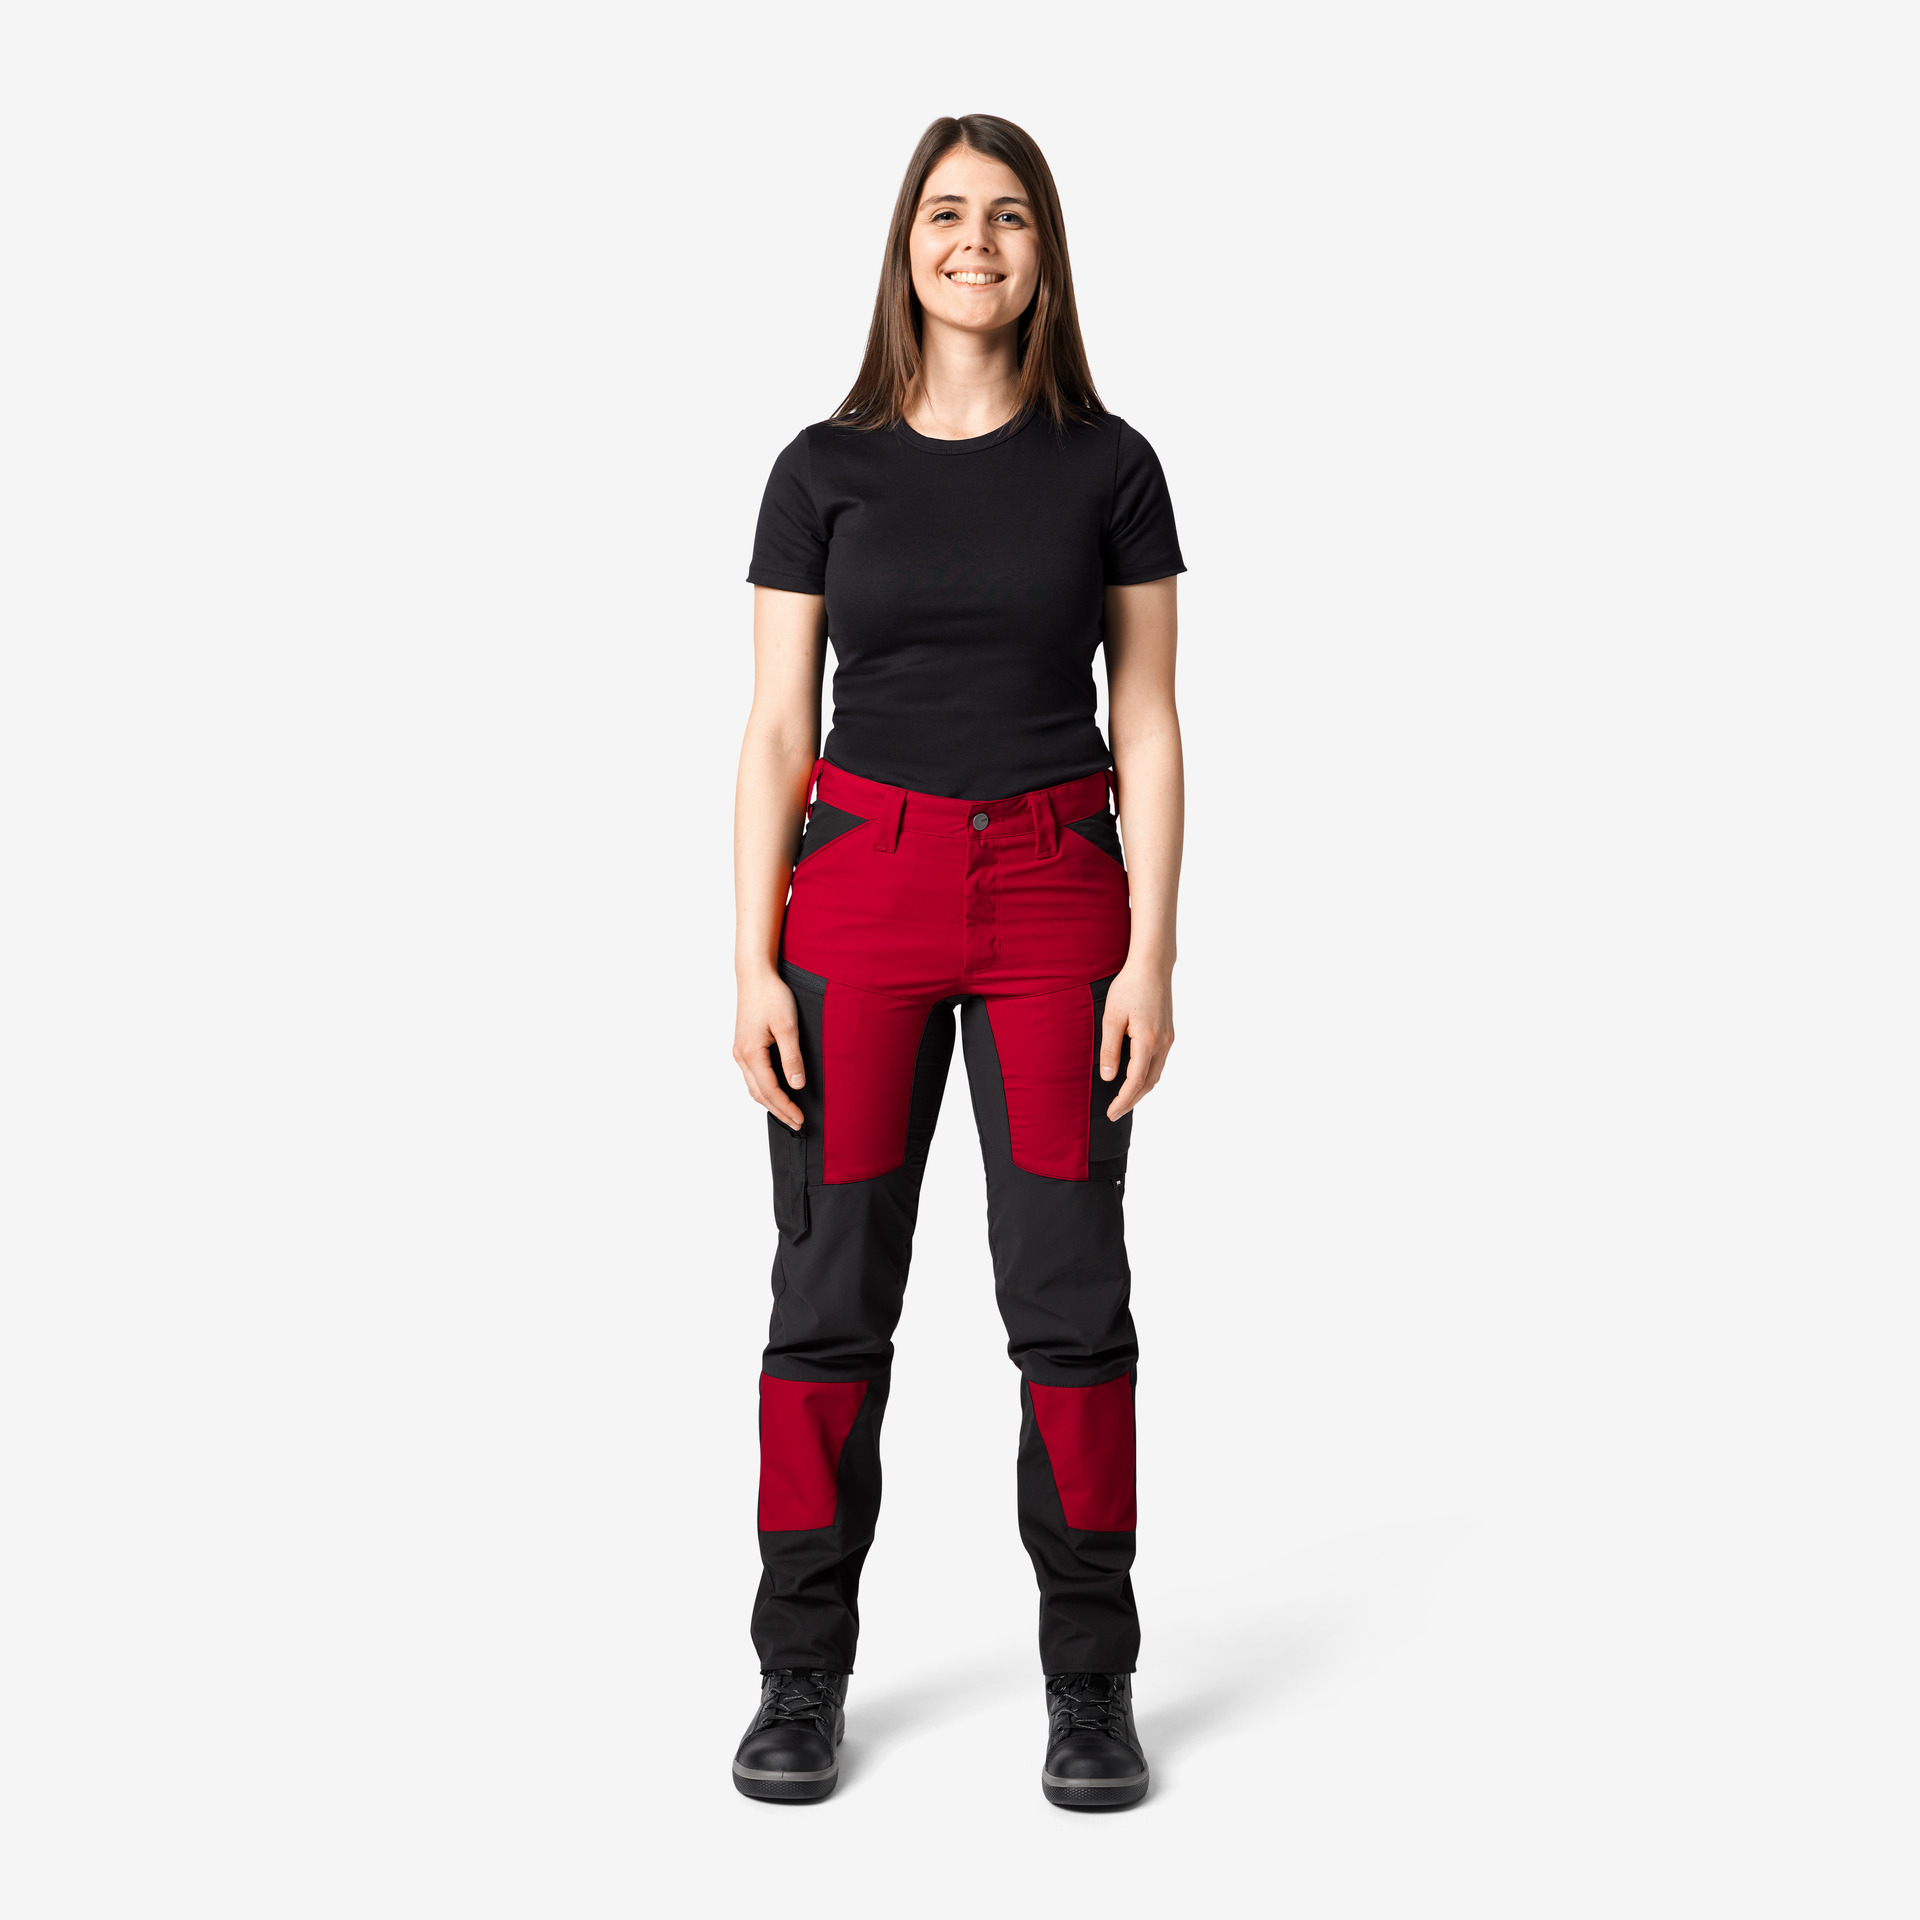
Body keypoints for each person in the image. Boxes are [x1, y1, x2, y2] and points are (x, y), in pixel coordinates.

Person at [728, 113, 1185, 1809]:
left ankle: (1091, 1682)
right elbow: (778, 730)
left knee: (1070, 1301)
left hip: (1059, 897)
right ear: (905, 245)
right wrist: (751, 962)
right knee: (827, 1298)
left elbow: (1150, 716)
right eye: (945, 212)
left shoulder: (1110, 465)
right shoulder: (820, 469)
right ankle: (798, 1672)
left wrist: (1153, 954)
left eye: (1007, 215)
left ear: (1044, 251)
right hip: (858, 900)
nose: (973, 241)